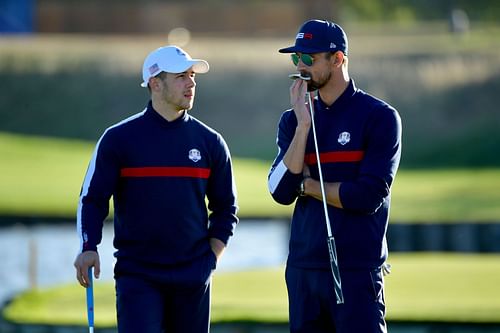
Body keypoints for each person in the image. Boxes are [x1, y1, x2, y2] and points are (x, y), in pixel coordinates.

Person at [74, 45, 238, 333]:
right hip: (138, 276)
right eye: (181, 76)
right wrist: (89, 246)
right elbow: (93, 199)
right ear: (155, 83)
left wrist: (210, 260)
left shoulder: (210, 142)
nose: (191, 83)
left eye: (192, 75)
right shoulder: (118, 139)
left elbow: (226, 209)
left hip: (193, 277)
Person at [268, 19, 402, 333]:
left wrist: (311, 186)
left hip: (356, 270)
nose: (300, 66)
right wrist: (303, 126)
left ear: (337, 59)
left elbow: (368, 196)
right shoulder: (292, 121)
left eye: (309, 59)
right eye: (295, 58)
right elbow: (281, 191)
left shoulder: (379, 117)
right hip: (303, 271)